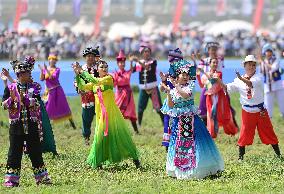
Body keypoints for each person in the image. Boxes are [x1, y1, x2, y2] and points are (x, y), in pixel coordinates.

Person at [73, 60, 140, 169]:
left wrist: (82, 71)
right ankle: (98, 162)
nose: (104, 69)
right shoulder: (95, 83)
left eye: (106, 67)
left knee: (121, 136)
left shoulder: (108, 79)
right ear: (97, 69)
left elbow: (94, 80)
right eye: (102, 67)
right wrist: (77, 75)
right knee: (100, 138)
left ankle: (135, 159)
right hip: (101, 115)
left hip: (112, 114)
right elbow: (82, 86)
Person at [165, 59, 224, 179]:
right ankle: (179, 169)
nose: (186, 77)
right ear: (177, 77)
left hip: (192, 120)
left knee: (196, 143)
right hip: (179, 122)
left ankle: (198, 167)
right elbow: (171, 105)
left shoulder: (190, 86)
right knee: (179, 144)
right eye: (183, 74)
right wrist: (168, 92)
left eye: (187, 74)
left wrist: (175, 86)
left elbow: (186, 95)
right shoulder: (174, 89)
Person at [219, 55, 281, 160]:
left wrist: (241, 78)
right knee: (245, 133)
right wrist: (218, 81)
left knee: (268, 131)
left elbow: (251, 84)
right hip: (247, 111)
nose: (251, 67)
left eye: (253, 65)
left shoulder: (259, 76)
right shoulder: (238, 80)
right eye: (249, 64)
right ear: (244, 66)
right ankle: (240, 157)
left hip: (260, 110)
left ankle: (279, 155)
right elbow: (228, 88)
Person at [2, 60, 51, 187]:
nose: (30, 74)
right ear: (20, 74)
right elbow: (3, 105)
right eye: (27, 72)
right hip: (16, 125)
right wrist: (12, 99)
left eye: (29, 72)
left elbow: (37, 101)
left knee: (35, 151)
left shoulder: (34, 86)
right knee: (14, 152)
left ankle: (42, 178)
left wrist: (25, 100)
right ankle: (11, 180)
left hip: (31, 124)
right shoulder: (10, 88)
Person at [196, 57, 238, 138]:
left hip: (219, 97)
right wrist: (198, 76)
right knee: (211, 115)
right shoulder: (205, 75)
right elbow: (202, 86)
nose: (215, 64)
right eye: (213, 62)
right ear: (209, 64)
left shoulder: (218, 74)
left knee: (223, 115)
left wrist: (203, 72)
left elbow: (213, 80)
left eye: (216, 63)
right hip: (210, 98)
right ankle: (212, 134)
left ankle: (231, 131)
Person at [39, 53, 76, 129]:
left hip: (57, 91)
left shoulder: (57, 69)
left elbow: (53, 78)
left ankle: (72, 124)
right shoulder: (46, 69)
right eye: (50, 59)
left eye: (53, 59)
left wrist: (46, 69)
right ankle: (44, 126)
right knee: (46, 107)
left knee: (64, 107)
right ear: (49, 60)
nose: (52, 61)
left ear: (55, 61)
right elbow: (42, 79)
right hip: (48, 92)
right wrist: (41, 70)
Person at [133, 43, 164, 126]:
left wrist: (138, 61)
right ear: (142, 53)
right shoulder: (138, 63)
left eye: (148, 51)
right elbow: (132, 71)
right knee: (140, 108)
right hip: (143, 89)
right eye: (145, 52)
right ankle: (139, 124)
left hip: (153, 88)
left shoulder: (153, 62)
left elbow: (147, 68)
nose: (147, 53)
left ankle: (165, 124)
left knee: (158, 107)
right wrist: (131, 61)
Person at [74, 47, 100, 145]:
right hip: (87, 97)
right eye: (88, 56)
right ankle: (87, 138)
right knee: (86, 119)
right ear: (85, 57)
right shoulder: (81, 69)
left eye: (92, 56)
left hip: (98, 95)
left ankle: (101, 137)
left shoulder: (99, 67)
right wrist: (79, 88)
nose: (90, 58)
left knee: (101, 117)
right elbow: (76, 81)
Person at [160, 48, 183, 151]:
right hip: (169, 102)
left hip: (179, 103)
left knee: (177, 123)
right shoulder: (168, 74)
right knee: (167, 123)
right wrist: (164, 82)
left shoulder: (183, 76)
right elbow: (162, 89)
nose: (174, 64)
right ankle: (167, 145)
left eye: (177, 62)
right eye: (172, 62)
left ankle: (178, 143)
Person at [112, 50, 139, 134]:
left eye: (123, 62)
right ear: (117, 64)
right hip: (119, 95)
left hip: (128, 95)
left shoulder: (128, 72)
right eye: (120, 63)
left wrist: (131, 61)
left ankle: (136, 131)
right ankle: (116, 130)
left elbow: (131, 69)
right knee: (117, 112)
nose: (122, 64)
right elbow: (113, 84)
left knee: (131, 112)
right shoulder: (115, 74)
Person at [198, 42, 224, 123]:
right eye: (211, 50)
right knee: (202, 102)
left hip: (217, 84)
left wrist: (201, 60)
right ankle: (206, 123)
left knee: (225, 102)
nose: (213, 52)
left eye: (215, 50)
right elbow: (199, 70)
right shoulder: (204, 60)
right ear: (208, 51)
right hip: (207, 84)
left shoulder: (219, 59)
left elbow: (217, 70)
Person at [260, 43, 284, 118]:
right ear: (264, 52)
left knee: (282, 102)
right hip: (268, 85)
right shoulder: (262, 62)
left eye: (270, 51)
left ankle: (283, 115)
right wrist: (261, 62)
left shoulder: (276, 59)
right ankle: (268, 118)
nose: (268, 53)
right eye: (267, 51)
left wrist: (263, 62)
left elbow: (273, 68)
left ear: (272, 52)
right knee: (267, 104)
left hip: (278, 85)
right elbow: (261, 72)